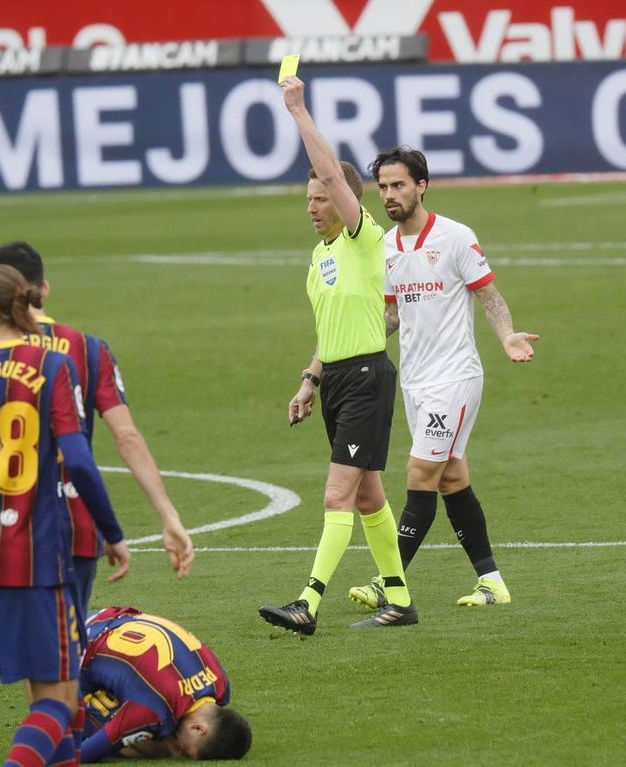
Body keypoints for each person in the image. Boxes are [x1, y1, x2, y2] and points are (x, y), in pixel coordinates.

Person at [0, 264, 132, 766]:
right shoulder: (49, 365)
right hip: (33, 553)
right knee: (56, 697)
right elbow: (77, 460)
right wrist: (111, 531)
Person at [257, 75, 416, 634]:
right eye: (308, 199)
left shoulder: (361, 236)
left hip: (370, 377)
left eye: (321, 197)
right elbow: (331, 331)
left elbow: (329, 168)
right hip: (341, 381)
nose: (313, 206)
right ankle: (398, 599)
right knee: (369, 495)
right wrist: (309, 380)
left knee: (337, 494)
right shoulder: (318, 260)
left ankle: (308, 602)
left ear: (345, 200)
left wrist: (298, 111)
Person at [348, 146, 539, 609]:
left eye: (398, 185)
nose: (389, 195)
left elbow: (487, 294)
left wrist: (508, 335)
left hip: (454, 378)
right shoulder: (387, 247)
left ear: (421, 186)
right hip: (415, 380)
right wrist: (359, 343)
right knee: (451, 479)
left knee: (420, 473)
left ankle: (388, 581)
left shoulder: (455, 237)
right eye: (383, 188)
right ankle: (492, 582)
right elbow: (394, 314)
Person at [0, 241, 194, 613]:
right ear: (43, 289)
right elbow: (126, 436)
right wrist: (167, 515)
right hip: (72, 523)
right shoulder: (87, 348)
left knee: (1, 654)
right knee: (63, 649)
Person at [78, 606, 252, 761]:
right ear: (199, 728)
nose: (181, 750)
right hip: (69, 648)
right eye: (187, 751)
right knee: (153, 746)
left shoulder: (220, 682)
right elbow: (81, 754)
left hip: (106, 618)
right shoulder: (152, 710)